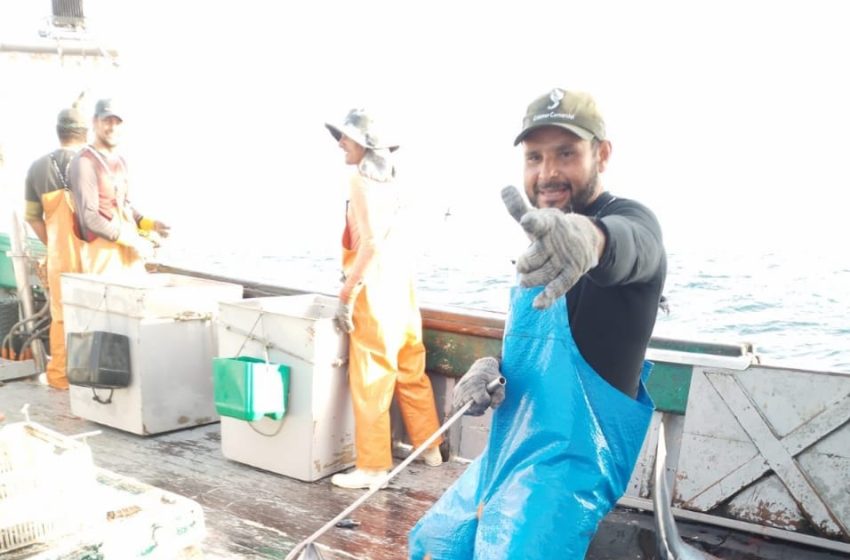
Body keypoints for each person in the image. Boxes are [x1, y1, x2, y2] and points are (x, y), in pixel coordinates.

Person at [409, 88, 667, 559]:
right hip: (509, 451)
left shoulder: (628, 221)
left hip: (570, 468)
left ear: (602, 154)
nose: (548, 172)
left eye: (566, 153)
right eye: (535, 157)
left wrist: (591, 240)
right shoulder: (538, 244)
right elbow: (535, 350)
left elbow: (634, 247)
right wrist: (486, 366)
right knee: (433, 543)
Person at [325, 108, 443, 489]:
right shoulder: (398, 182)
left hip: (373, 289)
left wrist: (347, 293)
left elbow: (370, 244)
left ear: (364, 144)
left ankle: (373, 467)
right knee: (411, 367)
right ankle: (431, 448)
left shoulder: (360, 182)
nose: (341, 142)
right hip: (403, 287)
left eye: (346, 137)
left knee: (372, 374)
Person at [23, 103, 89, 389]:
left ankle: (60, 378)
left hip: (59, 257)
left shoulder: (37, 167)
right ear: (84, 133)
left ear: (58, 132)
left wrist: (54, 244)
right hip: (93, 256)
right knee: (97, 315)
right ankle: (94, 378)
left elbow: (31, 217)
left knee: (61, 317)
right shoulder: (93, 164)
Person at [68, 98, 169, 275]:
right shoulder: (84, 162)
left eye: (117, 122)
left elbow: (125, 207)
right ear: (94, 121)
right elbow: (89, 218)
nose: (112, 127)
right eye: (107, 120)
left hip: (128, 252)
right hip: (103, 257)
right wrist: (134, 241)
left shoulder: (120, 162)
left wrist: (151, 225)